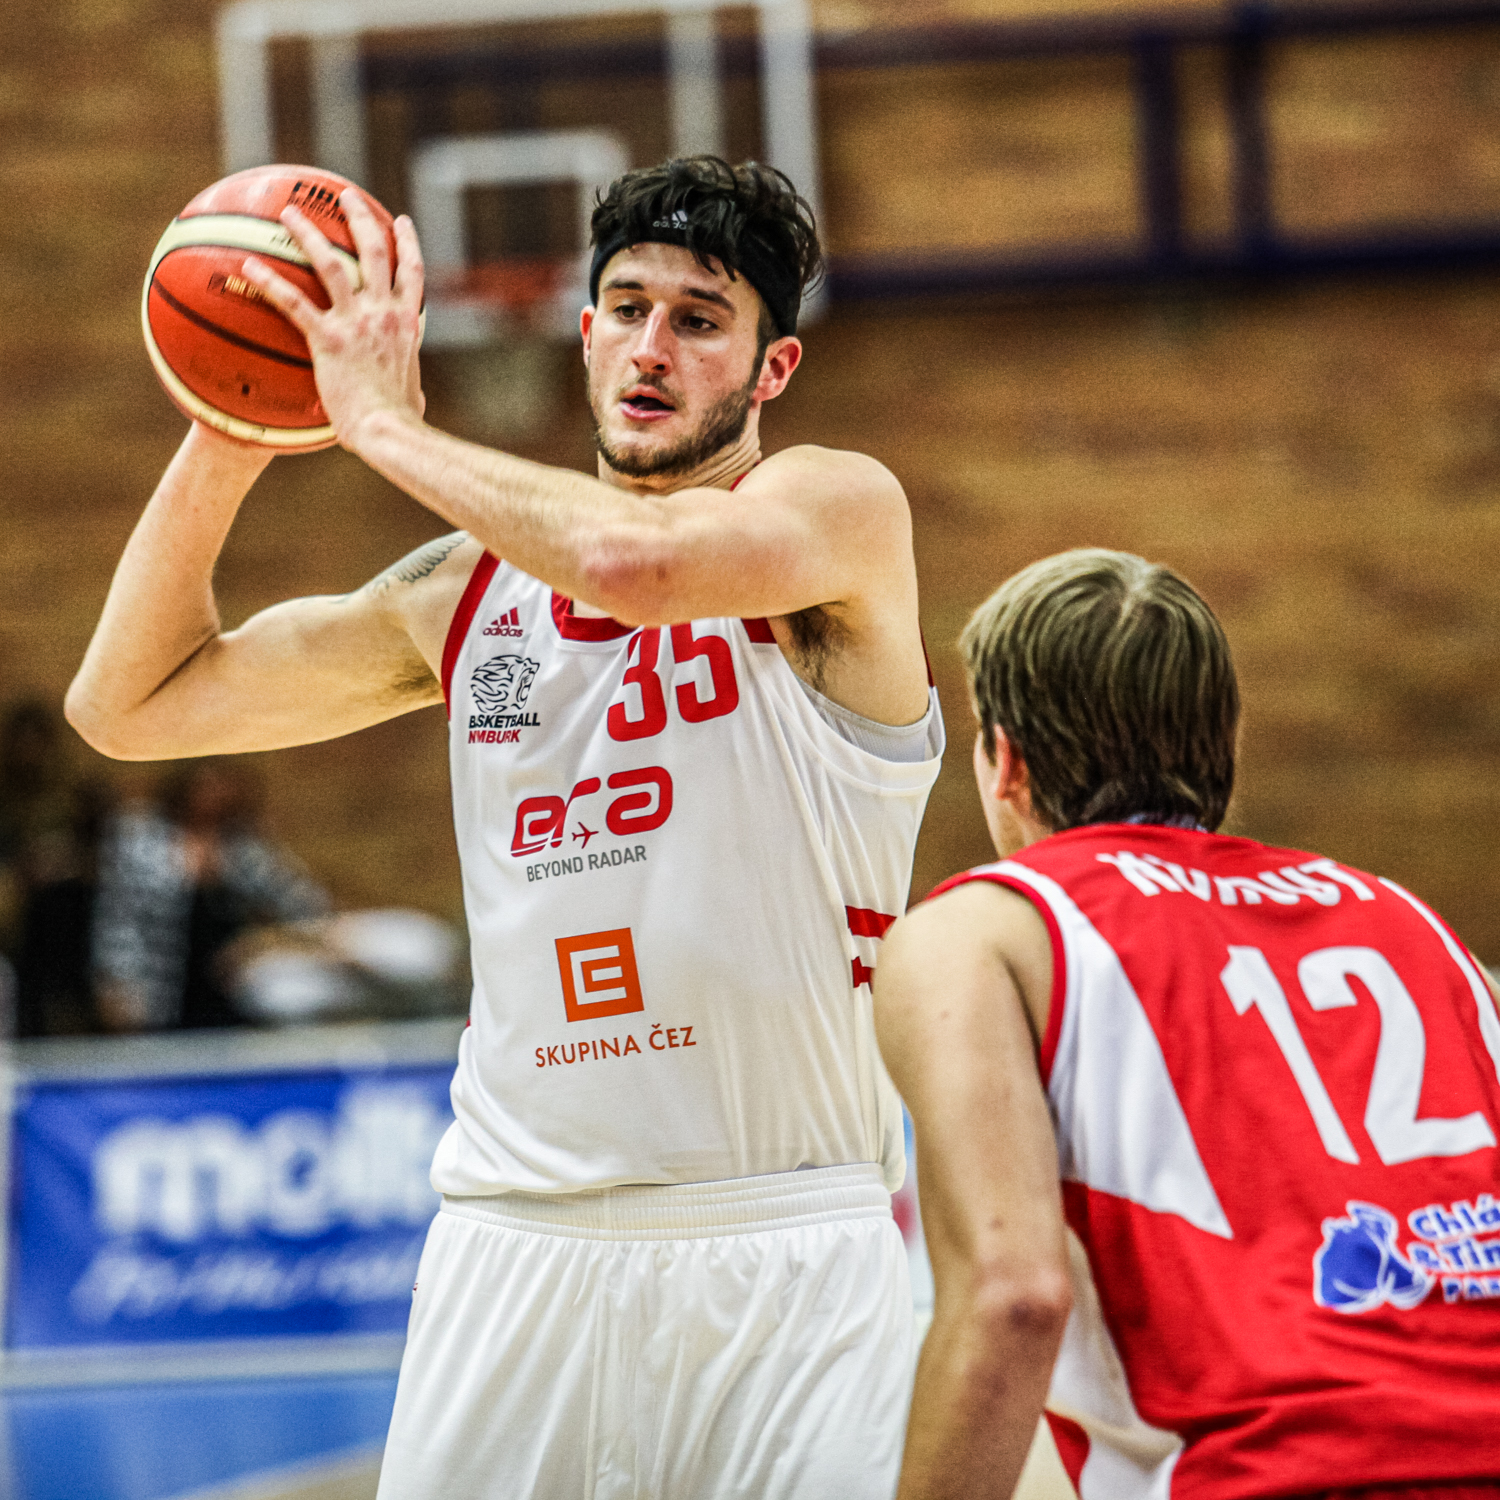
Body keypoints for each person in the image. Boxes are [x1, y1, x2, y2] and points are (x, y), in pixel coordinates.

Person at [66, 156, 942, 1497]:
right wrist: (235, 423)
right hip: (516, 1242)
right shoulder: (465, 592)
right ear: (583, 334)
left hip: (790, 1244)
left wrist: (379, 426)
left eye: (700, 320)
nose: (652, 347)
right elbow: (129, 704)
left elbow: (636, 563)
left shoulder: (836, 517)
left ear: (774, 369)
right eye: (628, 309)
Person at [874, 548, 1500, 1500]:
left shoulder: (986, 928)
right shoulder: (1411, 921)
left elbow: (1015, 1297)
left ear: (1006, 761)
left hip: (1269, 1474)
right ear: (1223, 745)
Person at [91, 758, 329, 1032]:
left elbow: (304, 900)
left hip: (232, 982)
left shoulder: (243, 844)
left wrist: (263, 944)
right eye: (205, 784)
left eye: (221, 785)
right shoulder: (141, 835)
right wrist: (116, 979)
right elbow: (118, 914)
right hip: (161, 980)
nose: (213, 793)